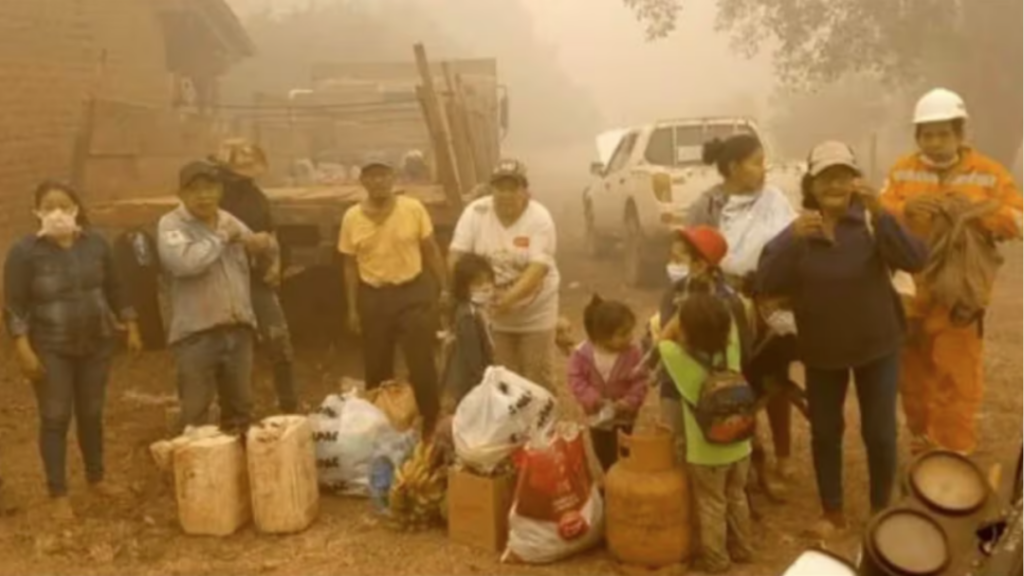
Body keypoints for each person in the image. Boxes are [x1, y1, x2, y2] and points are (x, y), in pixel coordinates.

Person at [757, 142, 929, 537]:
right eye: (825, 177)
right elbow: (765, 283)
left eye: (843, 175)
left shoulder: (870, 222)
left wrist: (882, 214)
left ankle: (881, 508)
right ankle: (831, 511)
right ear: (811, 185)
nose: (835, 184)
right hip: (822, 350)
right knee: (825, 430)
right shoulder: (799, 232)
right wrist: (789, 240)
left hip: (877, 344)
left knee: (880, 431)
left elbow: (915, 258)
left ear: (855, 181)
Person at [880, 88, 1023, 456]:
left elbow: (1018, 220)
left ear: (960, 133)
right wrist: (906, 208)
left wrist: (976, 211)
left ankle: (953, 456)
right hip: (912, 292)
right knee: (912, 379)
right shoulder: (902, 171)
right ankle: (923, 439)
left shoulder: (989, 174)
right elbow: (879, 214)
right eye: (927, 134)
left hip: (960, 293)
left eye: (943, 133)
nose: (935, 142)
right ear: (917, 137)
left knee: (956, 377)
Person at [3, 181, 143, 520]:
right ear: (36, 212)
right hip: (51, 347)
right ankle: (58, 493)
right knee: (55, 417)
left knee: (92, 413)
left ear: (76, 208)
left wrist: (132, 324)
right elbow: (15, 305)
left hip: (96, 342)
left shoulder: (95, 244)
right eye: (48, 206)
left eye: (64, 205)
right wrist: (22, 348)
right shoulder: (24, 253)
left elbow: (116, 286)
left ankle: (97, 478)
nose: (57, 213)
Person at [686, 134, 798, 483]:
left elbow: (794, 245)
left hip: (771, 303)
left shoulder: (775, 199)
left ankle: (783, 456)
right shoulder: (707, 206)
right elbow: (691, 257)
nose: (763, 169)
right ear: (733, 167)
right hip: (725, 305)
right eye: (755, 161)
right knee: (734, 381)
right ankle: (749, 458)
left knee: (775, 381)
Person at [158, 161, 275, 434]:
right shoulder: (171, 224)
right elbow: (184, 263)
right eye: (194, 189)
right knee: (196, 415)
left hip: (238, 327)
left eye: (210, 188)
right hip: (197, 334)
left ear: (220, 190)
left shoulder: (227, 218)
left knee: (241, 412)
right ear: (181, 194)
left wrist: (264, 245)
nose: (203, 195)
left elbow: (258, 243)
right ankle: (197, 473)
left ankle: (239, 469)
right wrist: (221, 238)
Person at [338, 156, 448, 436]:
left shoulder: (412, 208)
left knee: (421, 362)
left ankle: (430, 422)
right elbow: (350, 265)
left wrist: (444, 287)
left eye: (383, 175)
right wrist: (352, 309)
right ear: (362, 182)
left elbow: (431, 250)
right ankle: (382, 425)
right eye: (371, 176)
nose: (378, 182)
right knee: (376, 365)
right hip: (374, 297)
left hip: (412, 292)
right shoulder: (352, 217)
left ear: (393, 179)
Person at [659, 284, 754, 574]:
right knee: (737, 496)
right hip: (740, 443)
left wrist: (680, 316)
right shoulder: (731, 347)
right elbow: (724, 317)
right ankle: (743, 549)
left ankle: (716, 561)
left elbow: (663, 338)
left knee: (712, 504)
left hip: (706, 451)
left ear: (687, 329)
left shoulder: (676, 356)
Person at [449, 159, 560, 390]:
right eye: (501, 188)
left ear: (525, 191)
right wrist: (464, 296)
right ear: (492, 190)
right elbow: (456, 257)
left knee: (538, 376)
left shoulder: (540, 218)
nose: (506, 194)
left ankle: (543, 425)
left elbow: (537, 269)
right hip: (491, 314)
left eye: (513, 188)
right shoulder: (475, 212)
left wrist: (507, 300)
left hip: (535, 311)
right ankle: (509, 426)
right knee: (501, 379)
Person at [214, 140, 300, 414]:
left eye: (251, 163)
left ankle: (289, 405)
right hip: (226, 280)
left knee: (279, 341)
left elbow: (270, 232)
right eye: (241, 163)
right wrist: (247, 242)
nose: (247, 168)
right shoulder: (217, 194)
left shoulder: (256, 195)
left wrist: (275, 264)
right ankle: (233, 409)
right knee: (230, 346)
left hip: (257, 280)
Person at [568, 296, 649, 472]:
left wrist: (629, 402)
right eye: (623, 334)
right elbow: (576, 380)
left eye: (630, 332)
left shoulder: (633, 353)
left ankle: (623, 480)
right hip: (597, 417)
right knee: (603, 451)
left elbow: (640, 381)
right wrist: (594, 399)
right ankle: (611, 480)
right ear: (601, 336)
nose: (630, 338)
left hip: (625, 415)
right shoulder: (582, 355)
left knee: (624, 449)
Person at [443, 253, 496, 404]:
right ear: (464, 288)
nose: (486, 287)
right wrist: (483, 381)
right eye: (478, 284)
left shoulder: (479, 310)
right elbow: (473, 358)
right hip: (471, 383)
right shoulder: (468, 316)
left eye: (488, 281)